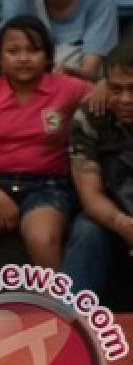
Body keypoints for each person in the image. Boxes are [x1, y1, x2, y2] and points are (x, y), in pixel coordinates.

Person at [0, 15, 91, 273]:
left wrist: (92, 81)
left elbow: (110, 91)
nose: (23, 58)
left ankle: (58, 309)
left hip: (47, 185)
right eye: (13, 51)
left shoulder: (68, 89)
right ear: (0, 59)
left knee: (43, 239)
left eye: (33, 50)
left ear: (48, 57)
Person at [64, 37, 133, 298]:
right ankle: (69, 321)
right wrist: (122, 224)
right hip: (112, 209)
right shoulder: (92, 115)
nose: (125, 99)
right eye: (116, 89)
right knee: (87, 229)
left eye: (132, 89)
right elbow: (90, 196)